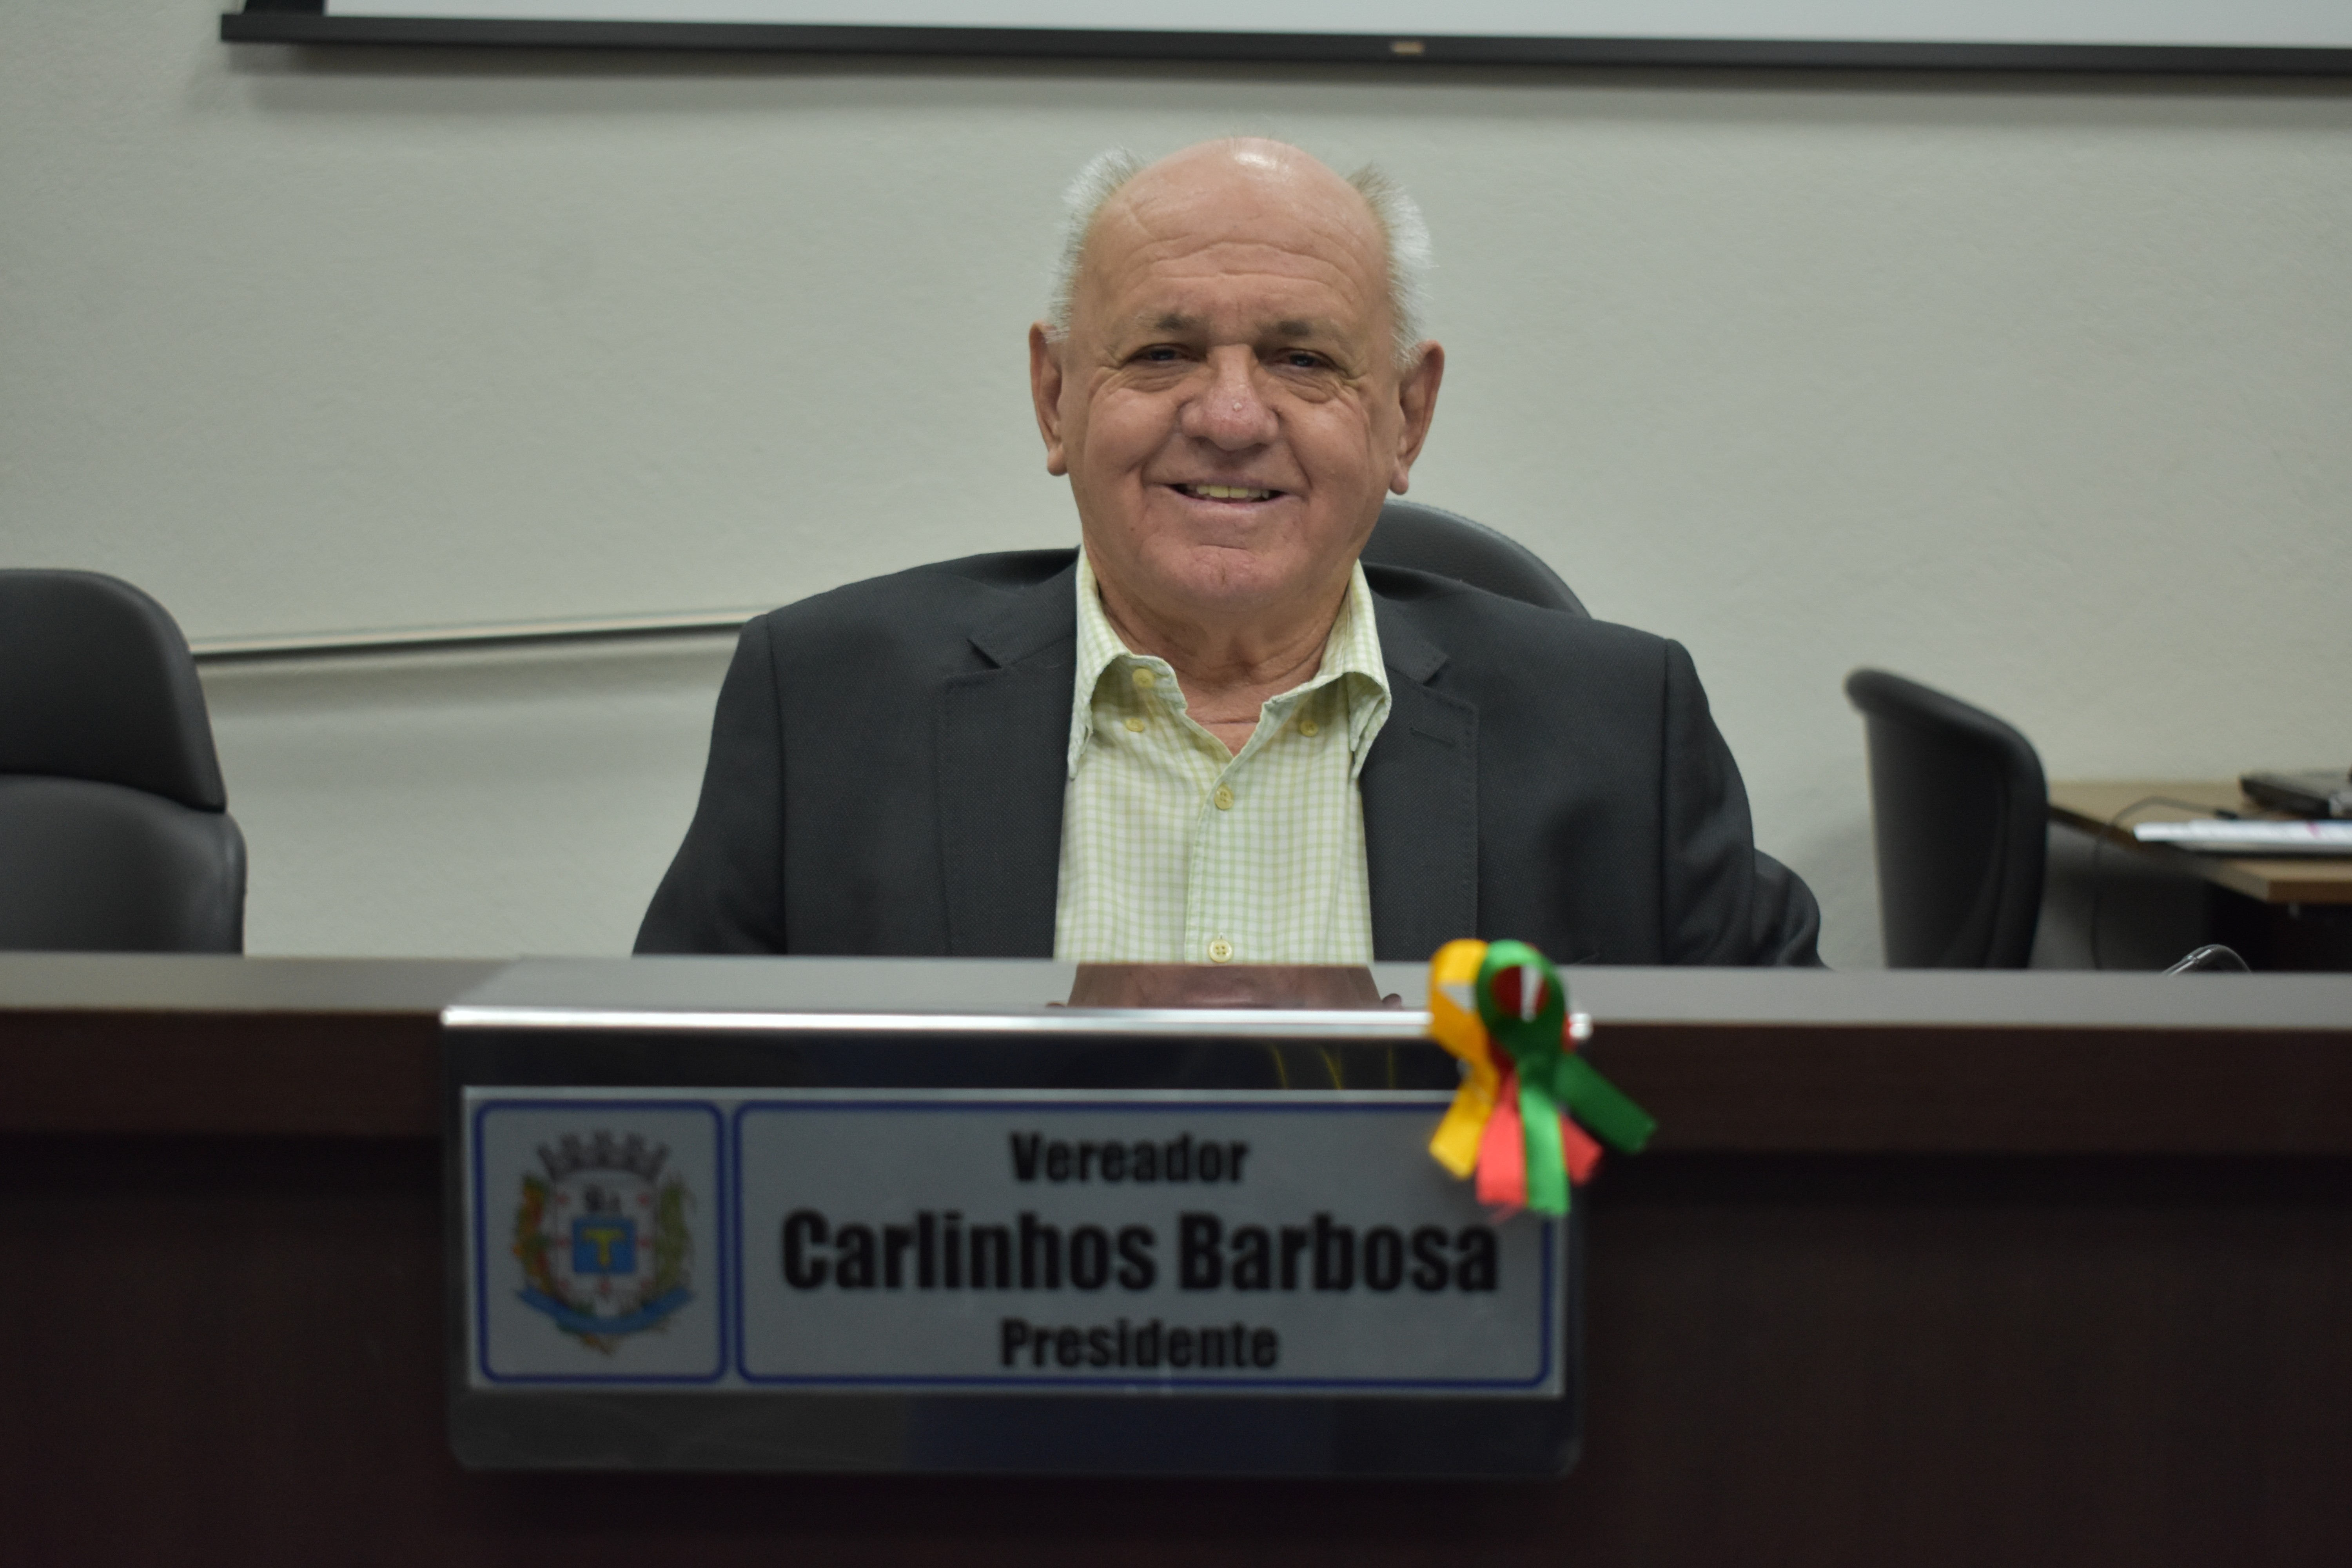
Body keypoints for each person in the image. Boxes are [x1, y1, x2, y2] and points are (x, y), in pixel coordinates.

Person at [637, 139, 1821, 967]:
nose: (1233, 416)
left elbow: (1803, 1121)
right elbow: (660, 1114)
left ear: (1406, 417)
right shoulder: (828, 708)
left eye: (1305, 361)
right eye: (1163, 354)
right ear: (1056, 398)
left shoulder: (1620, 732)